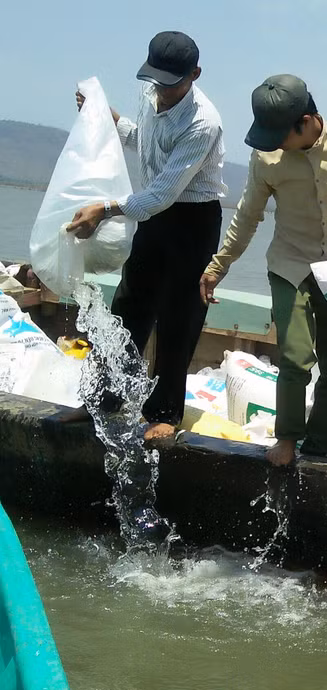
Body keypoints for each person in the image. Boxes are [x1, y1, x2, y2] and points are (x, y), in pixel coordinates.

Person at [199, 74, 327, 467]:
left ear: (306, 121)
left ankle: (320, 444)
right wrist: (218, 266)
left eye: (280, 135)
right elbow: (247, 218)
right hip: (289, 265)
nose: (274, 143)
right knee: (294, 357)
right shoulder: (268, 158)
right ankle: (288, 439)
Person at [64, 30, 226, 441]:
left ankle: (165, 414)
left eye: (173, 84)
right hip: (155, 214)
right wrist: (110, 119)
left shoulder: (203, 122)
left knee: (179, 316)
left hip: (193, 219)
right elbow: (146, 143)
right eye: (157, 81)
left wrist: (105, 210)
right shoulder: (151, 95)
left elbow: (164, 191)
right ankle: (103, 399)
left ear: (195, 74)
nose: (163, 92)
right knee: (128, 305)